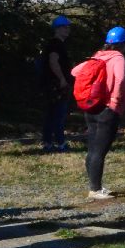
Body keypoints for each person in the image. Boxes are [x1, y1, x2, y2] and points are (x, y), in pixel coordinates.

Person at [73, 26, 125, 199]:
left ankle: (94, 185)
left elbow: (74, 71)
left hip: (92, 107)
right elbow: (120, 79)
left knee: (93, 148)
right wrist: (116, 99)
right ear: (124, 44)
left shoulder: (98, 56)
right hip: (108, 108)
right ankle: (95, 189)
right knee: (100, 150)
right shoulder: (118, 58)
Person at [39, 15, 72, 152]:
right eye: (65, 27)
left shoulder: (54, 44)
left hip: (52, 85)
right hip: (56, 85)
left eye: (68, 27)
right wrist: (62, 79)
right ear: (57, 29)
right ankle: (60, 143)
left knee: (51, 114)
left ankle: (48, 142)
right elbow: (53, 61)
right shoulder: (56, 44)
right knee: (59, 114)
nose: (67, 30)